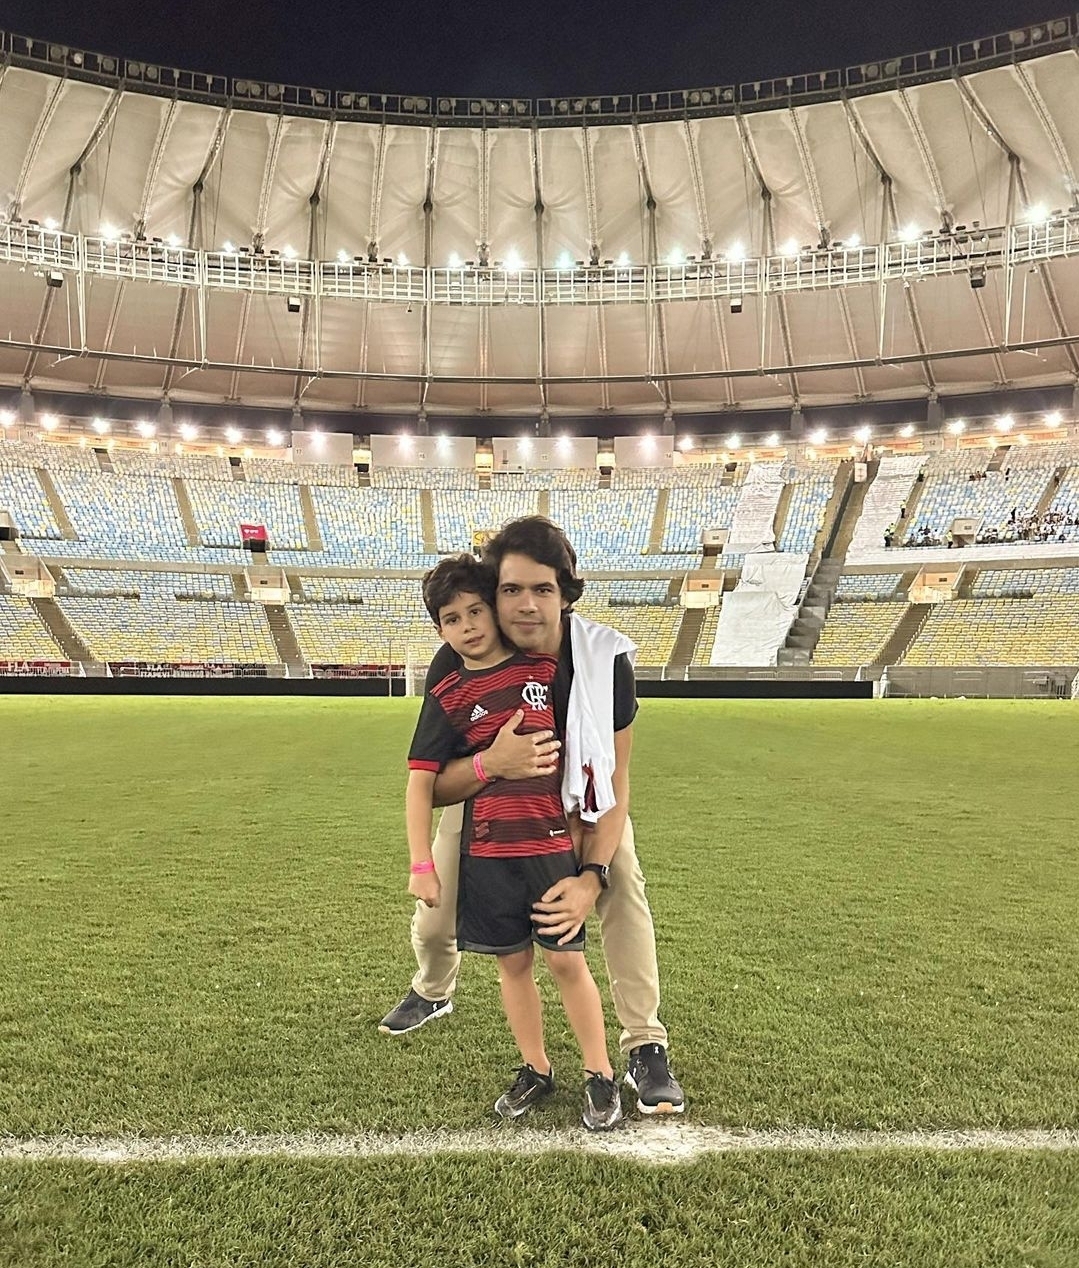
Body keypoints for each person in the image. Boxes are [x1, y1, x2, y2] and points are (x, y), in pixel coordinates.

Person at [381, 515, 684, 1116]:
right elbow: (433, 786)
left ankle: (644, 1044)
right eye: (510, 589)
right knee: (436, 919)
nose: (525, 605)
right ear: (492, 595)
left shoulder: (602, 659)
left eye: (542, 589)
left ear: (565, 594)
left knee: (623, 891)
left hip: (581, 803)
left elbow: (616, 781)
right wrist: (492, 763)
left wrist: (591, 875)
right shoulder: (459, 657)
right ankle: (434, 988)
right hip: (490, 801)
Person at [405, 554, 622, 1130]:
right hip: (488, 853)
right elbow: (421, 781)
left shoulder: (543, 670)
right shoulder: (448, 692)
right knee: (513, 963)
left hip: (549, 847)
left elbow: (588, 747)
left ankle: (600, 1073)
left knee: (566, 961)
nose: (468, 626)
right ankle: (536, 1068)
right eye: (452, 619)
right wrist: (422, 863)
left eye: (476, 611)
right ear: (440, 630)